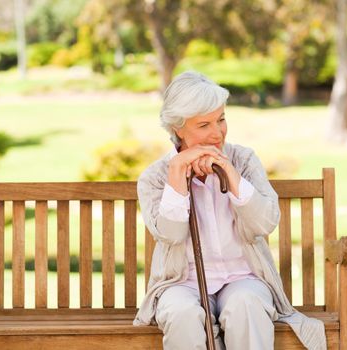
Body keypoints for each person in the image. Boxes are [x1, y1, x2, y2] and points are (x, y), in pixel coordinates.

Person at [133, 71, 326, 350]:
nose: (217, 133)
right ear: (178, 128)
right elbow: (171, 235)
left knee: (246, 305)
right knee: (181, 314)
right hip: (181, 283)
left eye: (221, 120)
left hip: (243, 278)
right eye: (203, 125)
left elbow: (264, 223)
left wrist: (231, 175)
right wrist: (177, 175)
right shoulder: (155, 178)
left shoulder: (243, 160)